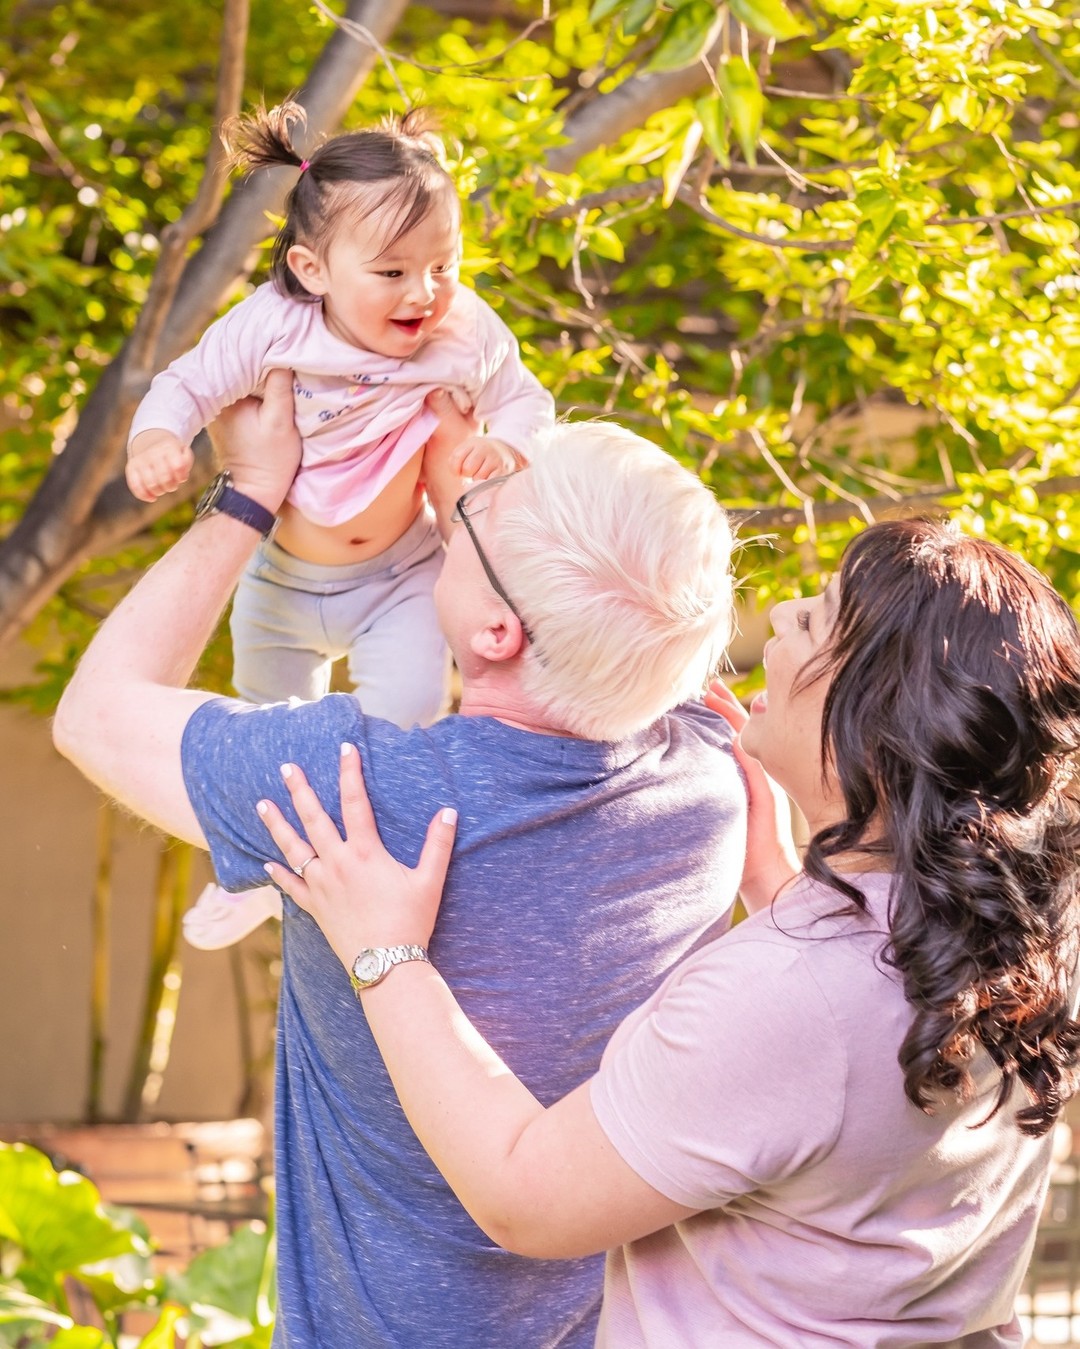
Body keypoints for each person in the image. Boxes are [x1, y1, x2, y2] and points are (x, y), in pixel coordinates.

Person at [257, 517, 1080, 1347]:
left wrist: (388, 954)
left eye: (814, 617)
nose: (781, 615)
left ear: (871, 714)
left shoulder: (782, 997)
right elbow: (855, 1081)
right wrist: (778, 879)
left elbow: (524, 1197)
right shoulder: (1025, 936)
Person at [54, 374, 748, 1348]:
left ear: (499, 631)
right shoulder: (707, 781)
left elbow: (94, 713)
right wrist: (473, 500)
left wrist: (252, 489)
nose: (458, 503)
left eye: (477, 509)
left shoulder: (358, 794)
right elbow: (604, 622)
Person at [126, 101, 555, 949]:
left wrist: (507, 443)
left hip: (403, 575)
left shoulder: (463, 330)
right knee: (271, 738)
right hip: (283, 582)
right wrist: (157, 438)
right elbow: (187, 383)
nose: (424, 292)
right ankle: (262, 875)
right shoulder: (272, 325)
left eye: (444, 265)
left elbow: (525, 399)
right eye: (392, 271)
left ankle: (378, 873)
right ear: (312, 268)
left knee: (403, 721)